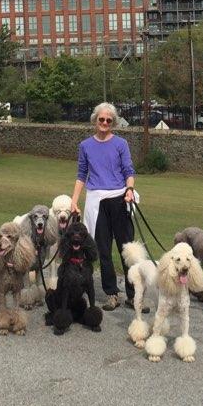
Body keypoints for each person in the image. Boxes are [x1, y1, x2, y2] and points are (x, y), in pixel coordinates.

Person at [70, 102, 140, 311]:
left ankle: (133, 294)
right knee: (103, 250)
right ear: (95, 120)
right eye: (101, 119)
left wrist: (129, 190)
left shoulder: (121, 144)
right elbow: (82, 174)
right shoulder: (85, 146)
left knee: (127, 249)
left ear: (113, 122)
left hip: (119, 198)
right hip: (97, 201)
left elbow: (129, 170)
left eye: (109, 120)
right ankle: (111, 293)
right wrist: (74, 200)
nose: (105, 123)